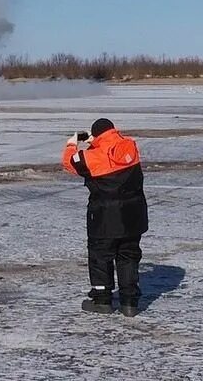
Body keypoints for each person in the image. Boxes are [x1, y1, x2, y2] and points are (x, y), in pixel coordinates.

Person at [62, 118, 149, 316]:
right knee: (128, 255)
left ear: (96, 135)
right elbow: (112, 152)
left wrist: (72, 143)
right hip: (133, 216)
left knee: (100, 256)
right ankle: (129, 303)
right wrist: (97, 141)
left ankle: (102, 300)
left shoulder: (92, 157)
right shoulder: (130, 148)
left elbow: (69, 162)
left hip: (104, 218)